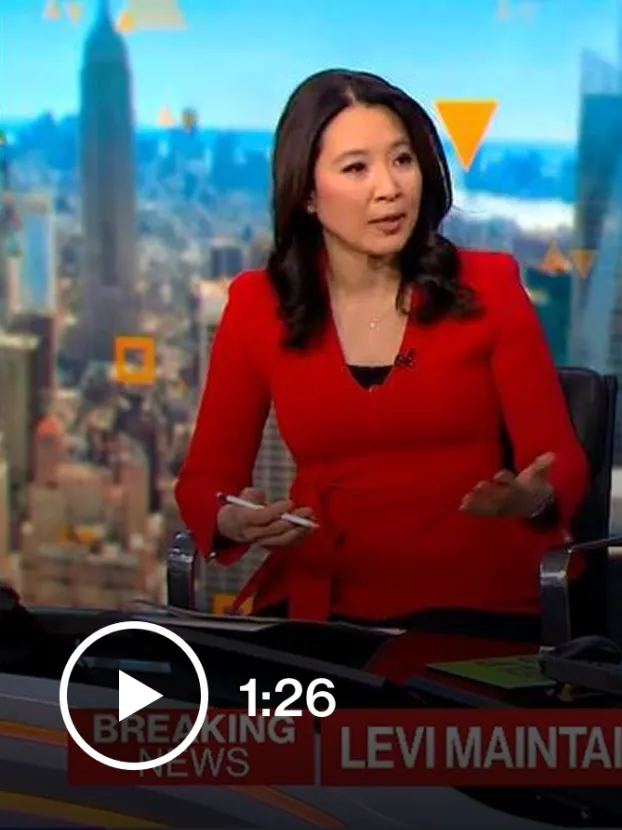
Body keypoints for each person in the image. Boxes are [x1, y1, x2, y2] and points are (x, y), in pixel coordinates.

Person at [175, 69, 589, 626]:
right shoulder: (257, 305)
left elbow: (561, 462)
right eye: (356, 168)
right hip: (321, 604)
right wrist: (230, 519)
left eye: (402, 160)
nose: (389, 188)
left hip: (477, 600)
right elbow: (204, 482)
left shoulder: (489, 287)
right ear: (307, 193)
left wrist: (532, 499)